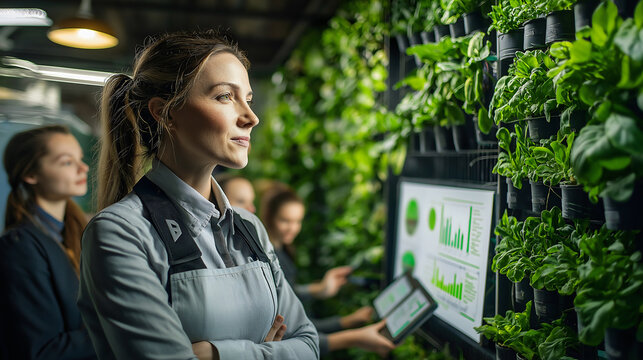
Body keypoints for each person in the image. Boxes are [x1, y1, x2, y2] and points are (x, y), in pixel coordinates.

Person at [77, 30, 318, 360]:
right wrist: (267, 350)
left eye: (247, 99)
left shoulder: (251, 228)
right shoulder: (119, 233)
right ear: (166, 112)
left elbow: (308, 344)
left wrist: (213, 354)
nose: (251, 117)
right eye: (224, 97)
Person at [257, 182, 396, 357]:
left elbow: (287, 295)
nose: (293, 228)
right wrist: (349, 331)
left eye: (298, 221)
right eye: (285, 220)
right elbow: (290, 329)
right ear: (269, 217)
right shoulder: (266, 258)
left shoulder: (282, 251)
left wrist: (321, 290)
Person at [0, 125, 96, 359]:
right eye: (66, 162)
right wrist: (125, 334)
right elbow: (43, 351)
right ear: (31, 175)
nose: (83, 168)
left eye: (80, 159)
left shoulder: (76, 233)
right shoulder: (19, 247)